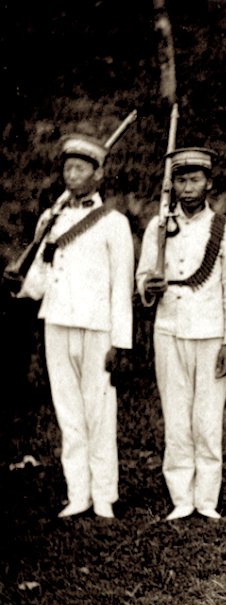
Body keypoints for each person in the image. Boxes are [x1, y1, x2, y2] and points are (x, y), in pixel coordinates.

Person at [16, 133, 134, 518]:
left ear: (98, 175)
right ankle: (78, 493)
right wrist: (24, 275)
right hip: (57, 322)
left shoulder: (113, 223)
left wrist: (120, 340)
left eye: (81, 168)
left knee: (99, 412)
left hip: (97, 327)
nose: (72, 175)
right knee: (68, 411)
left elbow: (122, 287)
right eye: (68, 168)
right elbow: (36, 281)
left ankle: (104, 496)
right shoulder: (53, 218)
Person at [136, 147, 226, 521]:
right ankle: (181, 498)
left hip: (211, 333)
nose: (187, 188)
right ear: (173, 184)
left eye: (194, 179)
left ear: (208, 183)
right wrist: (148, 287)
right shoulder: (159, 226)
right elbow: (143, 276)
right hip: (169, 329)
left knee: (207, 419)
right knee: (177, 417)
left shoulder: (224, 229)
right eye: (180, 180)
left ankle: (206, 500)